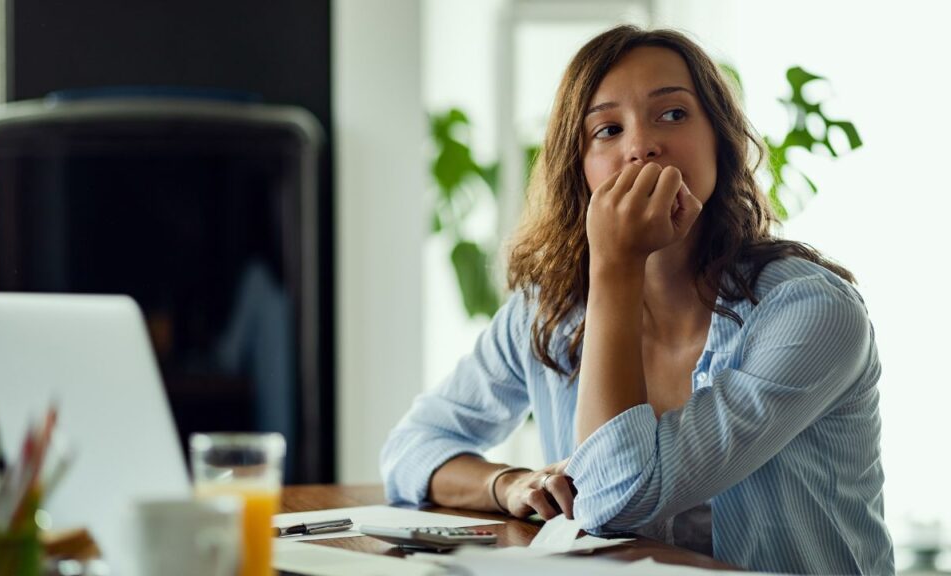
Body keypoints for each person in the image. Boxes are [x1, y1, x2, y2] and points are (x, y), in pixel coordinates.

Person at [381, 24, 893, 575]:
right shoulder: (548, 310)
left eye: (672, 114)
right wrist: (505, 484)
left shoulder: (811, 314)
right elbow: (412, 448)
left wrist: (616, 267)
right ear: (579, 167)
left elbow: (615, 499)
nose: (640, 145)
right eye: (606, 129)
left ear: (722, 141)